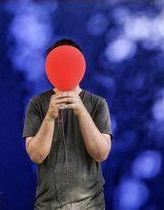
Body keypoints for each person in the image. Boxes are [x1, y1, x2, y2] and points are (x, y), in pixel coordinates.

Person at [22, 39, 113, 210]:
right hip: (47, 206)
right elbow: (35, 156)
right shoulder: (37, 104)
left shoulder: (98, 104)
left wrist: (81, 112)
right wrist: (49, 116)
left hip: (91, 206)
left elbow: (101, 154)